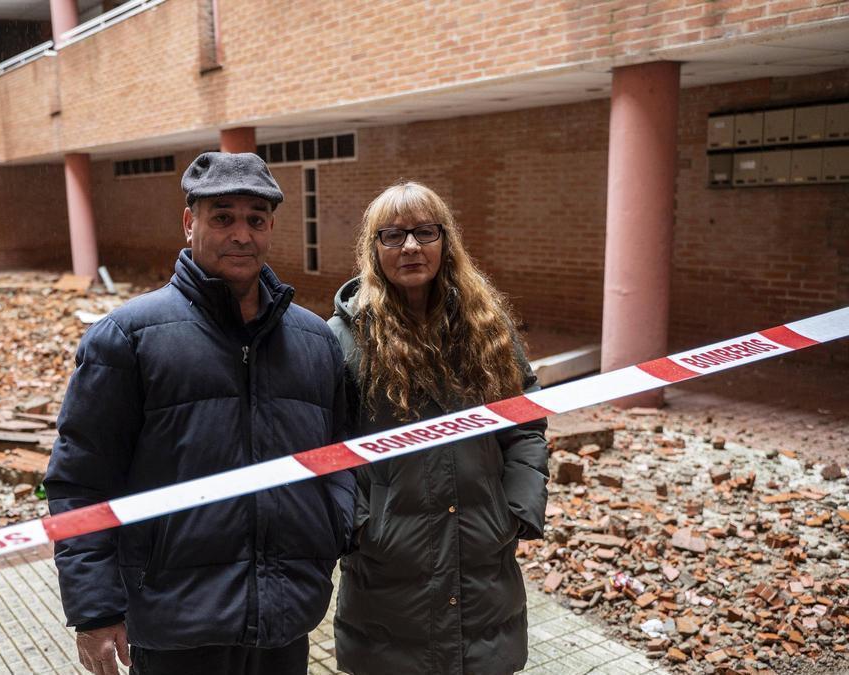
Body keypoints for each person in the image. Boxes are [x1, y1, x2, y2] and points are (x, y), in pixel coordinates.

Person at [43, 151, 355, 675]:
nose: (241, 234)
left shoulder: (315, 340)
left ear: (271, 227)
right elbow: (80, 481)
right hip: (174, 626)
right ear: (190, 223)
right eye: (223, 217)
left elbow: (341, 456)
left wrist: (331, 530)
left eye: (256, 220)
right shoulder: (127, 338)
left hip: (284, 618)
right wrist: (95, 611)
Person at [328, 181, 550, 675]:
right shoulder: (342, 339)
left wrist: (514, 509)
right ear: (374, 248)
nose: (410, 246)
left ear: (446, 241)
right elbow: (326, 450)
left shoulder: (486, 326)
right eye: (393, 235)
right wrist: (363, 527)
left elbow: (525, 424)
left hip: (482, 556)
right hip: (388, 570)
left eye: (425, 232)